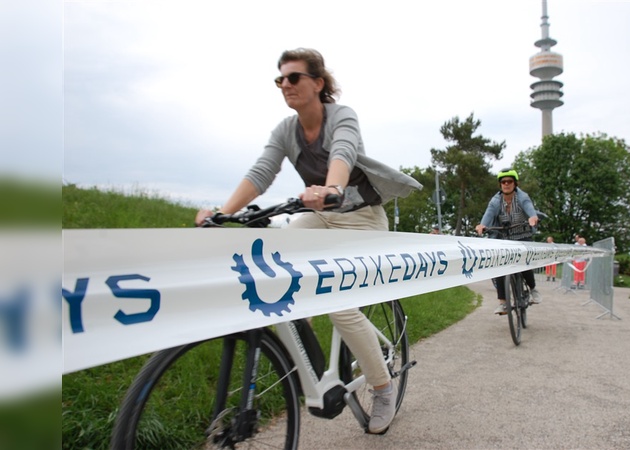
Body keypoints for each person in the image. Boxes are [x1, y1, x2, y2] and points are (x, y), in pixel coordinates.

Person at [195, 48, 421, 434]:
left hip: (362, 220)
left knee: (341, 304)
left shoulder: (341, 116)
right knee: (275, 263)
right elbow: (262, 172)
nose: (285, 85)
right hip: (320, 216)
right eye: (279, 79)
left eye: (293, 77)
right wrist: (222, 212)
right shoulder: (286, 130)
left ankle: (382, 386)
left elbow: (343, 152)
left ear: (318, 83)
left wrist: (332, 186)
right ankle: (305, 341)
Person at [475, 168, 541, 314]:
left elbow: (529, 208)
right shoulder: (495, 201)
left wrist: (532, 217)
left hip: (522, 235)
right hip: (503, 238)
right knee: (499, 265)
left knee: (524, 262)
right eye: (503, 182)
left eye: (509, 181)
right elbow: (488, 214)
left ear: (515, 183)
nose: (506, 184)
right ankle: (503, 303)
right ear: (500, 185)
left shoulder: (522, 197)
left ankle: (533, 289)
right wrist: (482, 225)